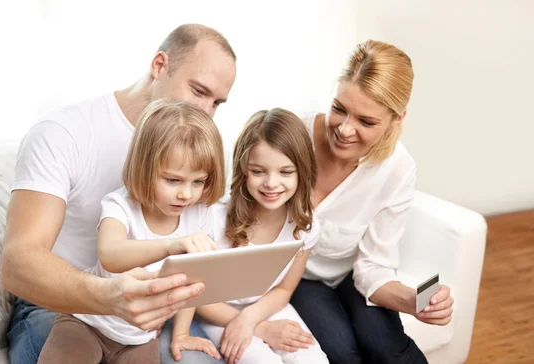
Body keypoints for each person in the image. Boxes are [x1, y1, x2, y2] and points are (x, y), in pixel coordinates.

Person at [0, 24, 236, 364]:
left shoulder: (192, 169)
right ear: (159, 66)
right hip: (63, 306)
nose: (206, 113)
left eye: (217, 103)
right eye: (199, 91)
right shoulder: (64, 133)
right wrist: (110, 296)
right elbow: (17, 263)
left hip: (142, 319)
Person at [289, 40, 455, 363]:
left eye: (366, 122)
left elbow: (373, 266)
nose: (344, 129)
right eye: (339, 108)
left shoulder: (397, 168)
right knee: (340, 350)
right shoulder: (296, 136)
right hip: (299, 277)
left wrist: (414, 301)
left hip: (352, 275)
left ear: (397, 119)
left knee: (387, 347)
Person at [38, 100, 226, 364]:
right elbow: (110, 255)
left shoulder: (199, 213)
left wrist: (181, 334)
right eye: (173, 180)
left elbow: (192, 284)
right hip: (86, 323)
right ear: (145, 168)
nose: (185, 193)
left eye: (198, 181)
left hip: (139, 338)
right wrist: (172, 245)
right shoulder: (120, 205)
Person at [192, 109, 329, 364]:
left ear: (302, 171)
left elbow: (285, 288)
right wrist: (259, 329)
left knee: (315, 361)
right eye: (258, 171)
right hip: (215, 313)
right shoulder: (213, 218)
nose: (271, 184)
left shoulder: (306, 225)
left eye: (286, 172)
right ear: (244, 169)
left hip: (264, 306)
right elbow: (196, 299)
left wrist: (252, 317)